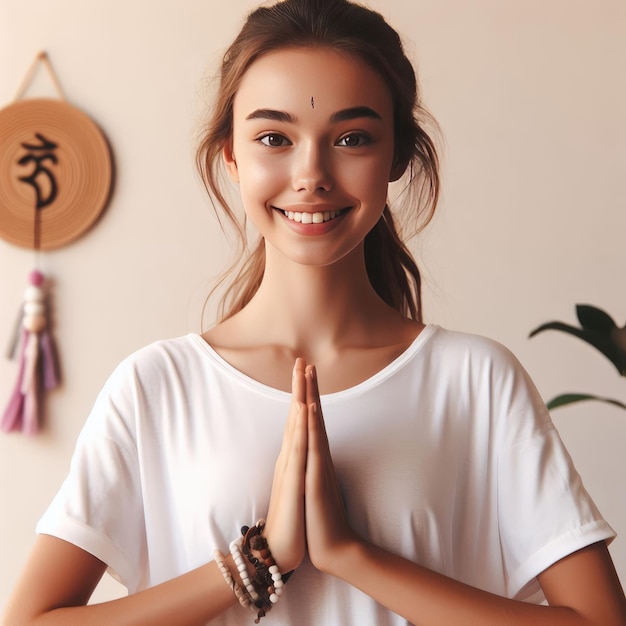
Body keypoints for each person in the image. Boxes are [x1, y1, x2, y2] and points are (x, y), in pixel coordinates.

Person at [4, 0, 626, 624]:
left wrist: (352, 556)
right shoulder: (157, 386)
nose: (311, 175)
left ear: (398, 157)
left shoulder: (477, 381)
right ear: (230, 154)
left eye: (352, 138)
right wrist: (258, 561)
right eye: (274, 137)